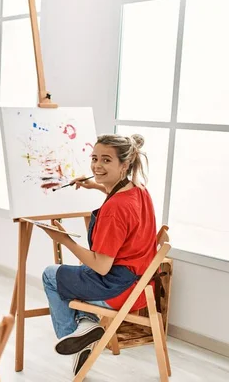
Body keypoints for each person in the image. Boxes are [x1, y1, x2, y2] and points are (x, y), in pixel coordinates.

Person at [36, 134, 156, 375]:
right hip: (142, 286)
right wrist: (97, 185)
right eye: (94, 158)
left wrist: (65, 240)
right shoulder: (139, 190)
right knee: (80, 274)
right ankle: (87, 327)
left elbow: (101, 266)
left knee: (51, 274)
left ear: (124, 165)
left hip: (118, 291)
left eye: (106, 160)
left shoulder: (115, 210)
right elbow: (120, 199)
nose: (97, 166)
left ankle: (74, 338)